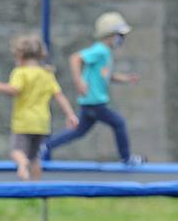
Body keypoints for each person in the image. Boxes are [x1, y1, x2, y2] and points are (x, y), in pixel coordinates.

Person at [41, 12, 144, 165]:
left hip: (91, 102)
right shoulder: (100, 50)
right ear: (110, 35)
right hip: (94, 101)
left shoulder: (105, 53)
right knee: (119, 123)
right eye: (120, 36)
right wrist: (78, 82)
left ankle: (45, 146)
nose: (122, 39)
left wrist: (126, 78)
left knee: (78, 131)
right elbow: (75, 58)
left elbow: (107, 75)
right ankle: (126, 157)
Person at [0, 33, 78, 180]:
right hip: (42, 123)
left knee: (16, 152)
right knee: (35, 158)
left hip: (24, 122)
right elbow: (59, 95)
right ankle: (36, 185)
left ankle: (22, 163)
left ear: (20, 55)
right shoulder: (47, 73)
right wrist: (70, 114)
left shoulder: (20, 73)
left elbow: (14, 90)